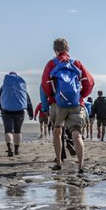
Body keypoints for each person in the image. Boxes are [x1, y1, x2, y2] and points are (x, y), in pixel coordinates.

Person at [41, 38, 94, 173]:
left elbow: (45, 85)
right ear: (67, 49)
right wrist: (80, 95)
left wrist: (53, 97)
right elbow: (90, 82)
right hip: (76, 103)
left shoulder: (51, 64)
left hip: (58, 104)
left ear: (55, 50)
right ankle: (81, 165)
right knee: (76, 133)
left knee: (57, 131)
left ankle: (59, 162)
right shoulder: (76, 63)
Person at [0, 71, 34, 156]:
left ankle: (10, 148)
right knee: (17, 131)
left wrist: (1, 108)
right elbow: (27, 101)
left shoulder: (4, 87)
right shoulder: (21, 87)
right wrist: (30, 113)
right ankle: (16, 150)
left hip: (6, 111)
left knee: (8, 130)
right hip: (20, 112)